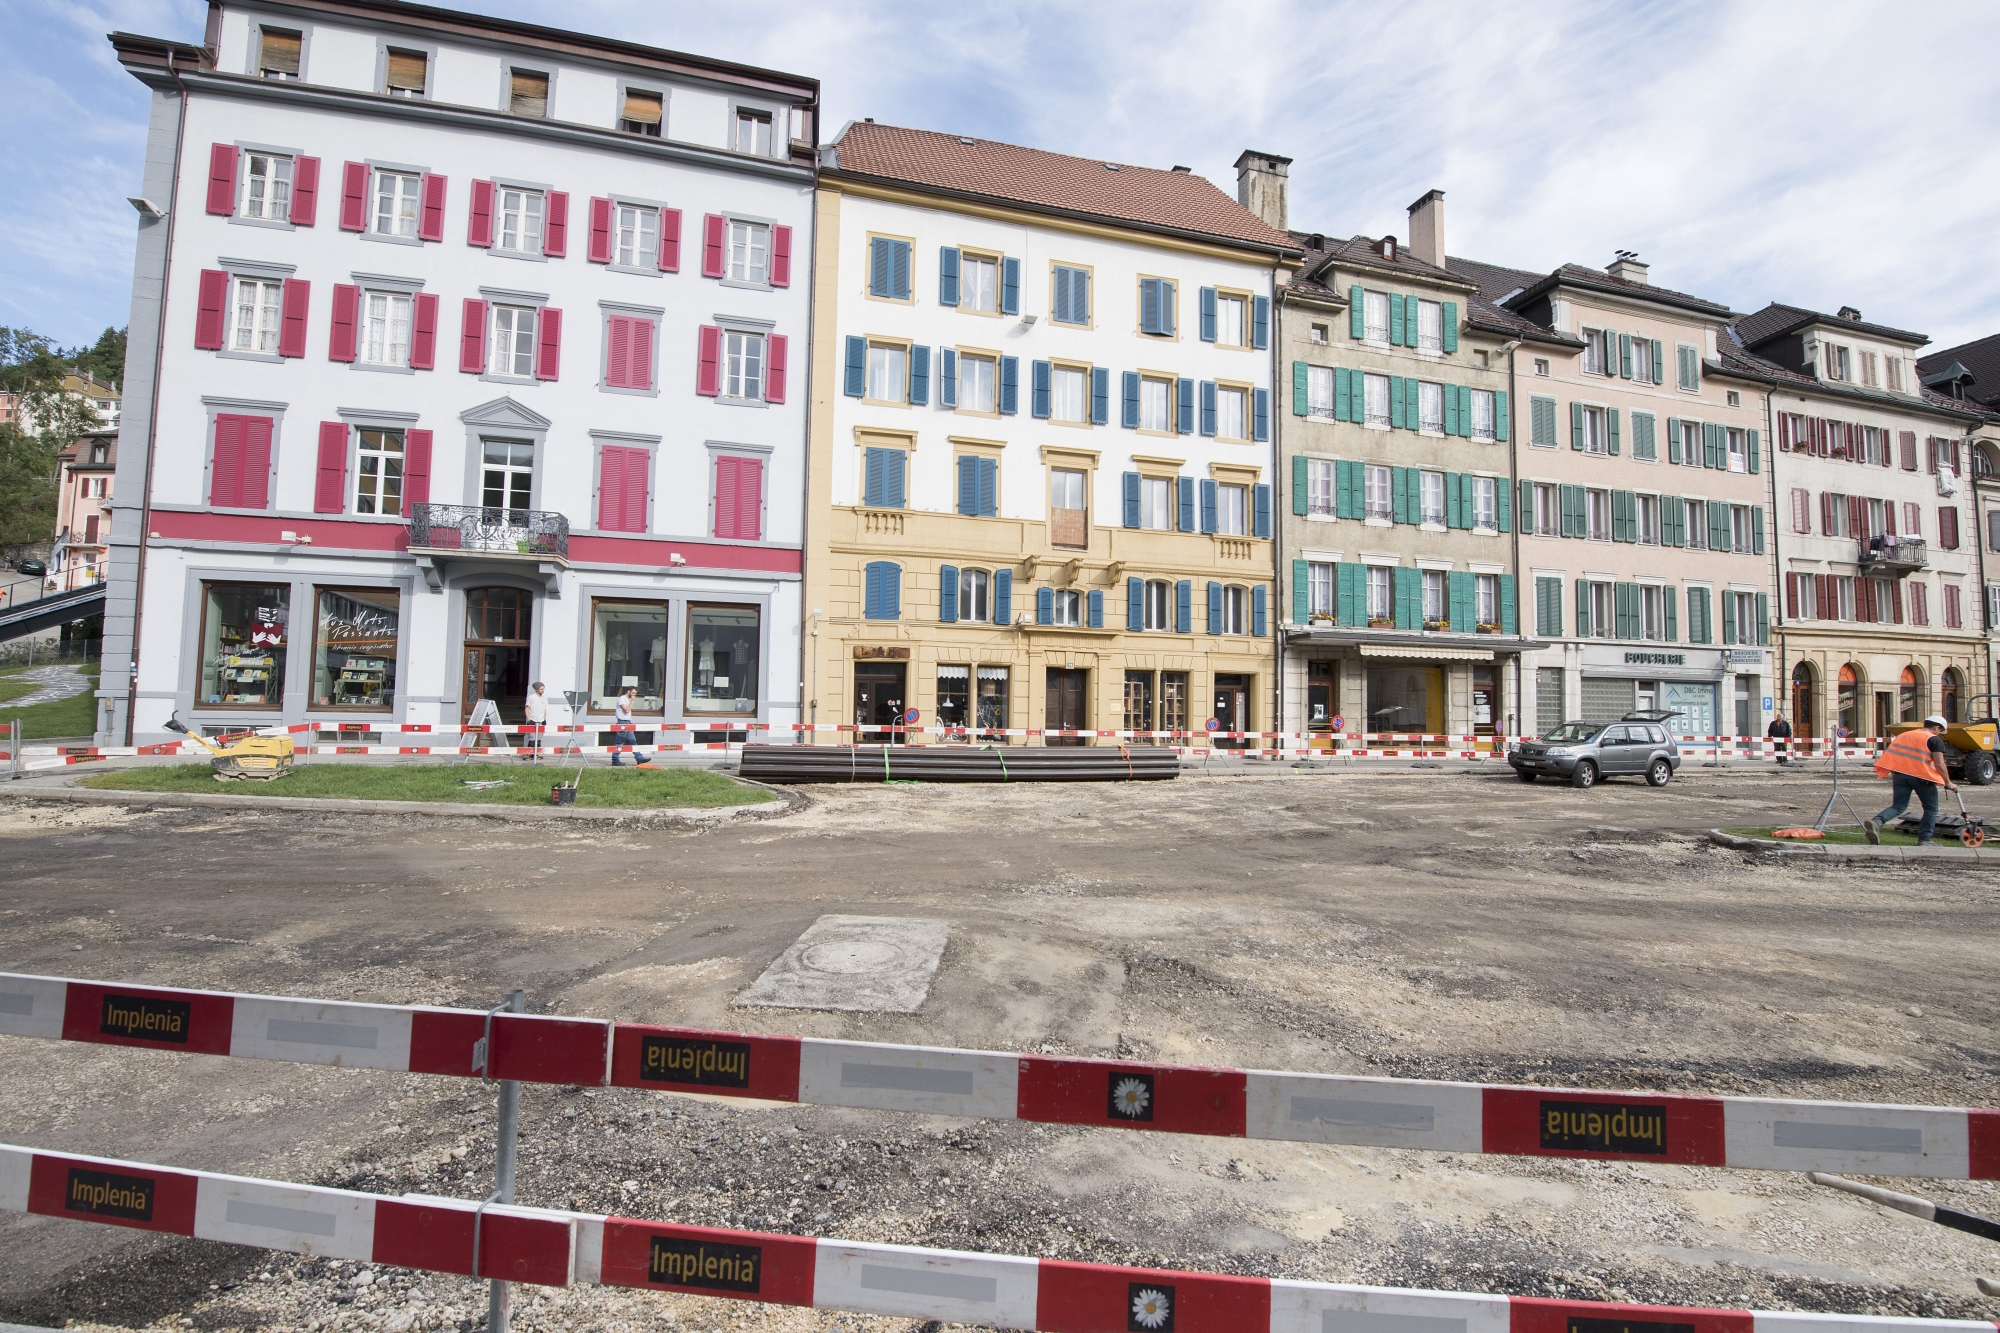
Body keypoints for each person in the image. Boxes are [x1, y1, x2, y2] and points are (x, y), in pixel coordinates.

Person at [1864, 714, 1956, 845]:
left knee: (1898, 806)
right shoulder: (1934, 740)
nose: (1939, 734)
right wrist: (1948, 782)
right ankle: (1925, 839)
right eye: (1940, 731)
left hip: (1900, 776)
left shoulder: (1904, 735)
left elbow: (1894, 755)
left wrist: (1895, 775)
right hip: (1922, 778)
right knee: (1931, 809)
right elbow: (1939, 763)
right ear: (1936, 728)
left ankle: (1877, 821)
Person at [609, 685, 652, 767]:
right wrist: (632, 701)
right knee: (619, 742)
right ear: (628, 691)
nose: (633, 695)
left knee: (632, 741)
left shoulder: (627, 699)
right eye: (632, 693)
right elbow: (626, 710)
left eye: (635, 694)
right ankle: (615, 760)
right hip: (622, 722)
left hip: (628, 723)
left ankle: (639, 758)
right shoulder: (622, 699)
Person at [522, 681, 548, 761]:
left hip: (540, 720)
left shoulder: (544, 698)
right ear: (537, 689)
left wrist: (544, 719)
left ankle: (537, 754)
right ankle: (529, 754)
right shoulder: (531, 697)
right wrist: (529, 719)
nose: (542, 691)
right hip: (532, 720)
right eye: (541, 689)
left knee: (539, 738)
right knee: (532, 738)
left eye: (543, 689)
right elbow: (527, 708)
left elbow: (544, 709)